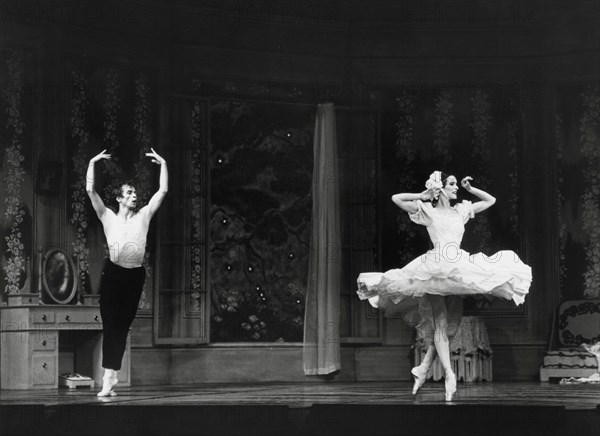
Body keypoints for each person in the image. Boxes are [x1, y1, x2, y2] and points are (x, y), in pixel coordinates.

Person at [357, 171, 532, 401]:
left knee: (451, 326)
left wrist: (471, 189)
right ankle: (450, 375)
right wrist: (422, 194)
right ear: (440, 189)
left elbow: (491, 201)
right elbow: (396, 199)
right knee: (440, 323)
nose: (456, 188)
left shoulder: (461, 210)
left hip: (457, 268)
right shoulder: (428, 212)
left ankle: (423, 368)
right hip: (434, 269)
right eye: (452, 184)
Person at [86, 148, 168, 397]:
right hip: (112, 275)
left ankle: (111, 375)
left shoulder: (144, 216)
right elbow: (91, 191)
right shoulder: (107, 216)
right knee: (110, 324)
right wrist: (92, 162)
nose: (135, 195)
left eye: (135, 192)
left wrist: (163, 164)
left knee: (121, 327)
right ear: (119, 199)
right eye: (129, 193)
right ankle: (109, 376)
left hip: (133, 276)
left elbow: (162, 191)